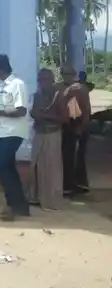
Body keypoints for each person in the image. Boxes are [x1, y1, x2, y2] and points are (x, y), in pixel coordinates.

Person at [0, 53, 30, 221]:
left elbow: (21, 111)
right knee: (8, 167)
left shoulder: (17, 84)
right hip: (2, 131)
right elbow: (6, 110)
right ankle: (21, 205)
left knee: (1, 166)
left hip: (14, 132)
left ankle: (11, 205)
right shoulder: (3, 85)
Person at [27, 68, 67, 211]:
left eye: (44, 80)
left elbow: (65, 118)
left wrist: (45, 117)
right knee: (36, 165)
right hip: (39, 133)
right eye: (39, 80)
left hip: (52, 134)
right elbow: (33, 112)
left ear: (52, 81)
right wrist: (35, 114)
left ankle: (51, 201)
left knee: (51, 168)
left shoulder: (58, 96)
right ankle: (35, 196)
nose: (41, 83)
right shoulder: (37, 96)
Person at [58, 65, 91, 196]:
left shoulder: (80, 89)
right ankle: (67, 185)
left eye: (69, 74)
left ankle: (79, 184)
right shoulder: (59, 87)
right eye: (64, 74)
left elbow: (86, 110)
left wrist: (81, 128)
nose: (66, 76)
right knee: (66, 156)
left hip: (78, 124)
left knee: (78, 156)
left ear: (73, 74)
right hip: (65, 125)